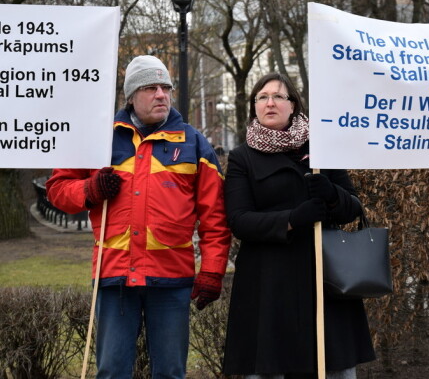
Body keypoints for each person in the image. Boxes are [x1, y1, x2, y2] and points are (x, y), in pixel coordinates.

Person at [47, 55, 231, 379]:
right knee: (112, 372)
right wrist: (90, 190)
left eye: (166, 87)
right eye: (150, 87)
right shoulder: (98, 138)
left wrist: (213, 271)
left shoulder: (195, 144)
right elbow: (58, 190)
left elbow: (215, 217)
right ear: (131, 96)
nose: (161, 94)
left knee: (171, 373)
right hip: (114, 277)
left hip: (172, 281)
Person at [222, 72, 375, 379]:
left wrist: (332, 196)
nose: (270, 103)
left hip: (323, 279)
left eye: (279, 96)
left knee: (333, 366)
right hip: (268, 285)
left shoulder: (321, 148)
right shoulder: (242, 158)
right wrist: (292, 220)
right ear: (254, 106)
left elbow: (353, 208)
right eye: (262, 97)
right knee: (270, 367)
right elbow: (239, 220)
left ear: (293, 105)